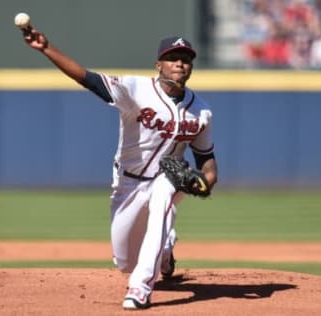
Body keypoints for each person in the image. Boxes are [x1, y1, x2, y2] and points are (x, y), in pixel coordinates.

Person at [19, 28, 218, 310]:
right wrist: (47, 48)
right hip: (128, 182)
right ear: (158, 64)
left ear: (191, 67)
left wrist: (205, 183)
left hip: (170, 176)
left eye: (185, 59)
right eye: (172, 57)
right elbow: (86, 78)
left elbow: (207, 162)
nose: (179, 63)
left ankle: (140, 288)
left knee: (163, 194)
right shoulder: (135, 89)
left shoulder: (202, 111)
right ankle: (165, 249)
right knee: (124, 261)